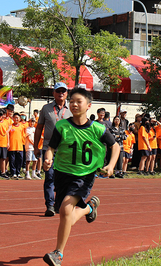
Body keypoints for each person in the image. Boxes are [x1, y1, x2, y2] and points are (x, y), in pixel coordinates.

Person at [42, 86, 119, 266]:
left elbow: (115, 146)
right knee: (65, 212)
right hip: (62, 173)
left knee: (65, 210)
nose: (74, 104)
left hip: (84, 175)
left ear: (88, 105)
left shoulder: (98, 129)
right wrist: (48, 159)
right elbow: (51, 147)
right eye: (72, 102)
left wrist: (110, 165)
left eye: (79, 102)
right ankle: (88, 208)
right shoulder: (62, 126)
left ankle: (58, 254)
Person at [35, 82, 73, 217]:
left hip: (66, 150)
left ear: (67, 94)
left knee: (63, 179)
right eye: (58, 91)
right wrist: (36, 147)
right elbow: (39, 128)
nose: (61, 93)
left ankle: (58, 203)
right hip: (48, 148)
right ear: (54, 93)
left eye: (63, 91)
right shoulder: (46, 108)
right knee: (49, 176)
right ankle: (50, 205)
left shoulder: (71, 110)